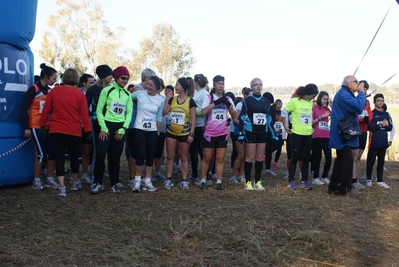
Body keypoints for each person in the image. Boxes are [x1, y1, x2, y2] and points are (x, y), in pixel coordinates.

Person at [39, 68, 92, 197]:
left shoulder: (54, 91)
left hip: (56, 129)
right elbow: (84, 115)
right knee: (74, 156)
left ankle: (62, 187)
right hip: (74, 130)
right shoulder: (80, 94)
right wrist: (88, 131)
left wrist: (42, 125)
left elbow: (46, 110)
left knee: (59, 157)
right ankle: (74, 182)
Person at [90, 66, 133, 194]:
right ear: (116, 78)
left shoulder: (127, 94)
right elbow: (99, 110)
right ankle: (98, 182)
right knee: (101, 155)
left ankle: (114, 183)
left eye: (127, 78)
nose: (125, 81)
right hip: (106, 126)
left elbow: (129, 113)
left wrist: (123, 129)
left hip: (120, 128)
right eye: (123, 78)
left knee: (115, 157)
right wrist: (103, 127)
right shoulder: (107, 91)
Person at [20, 63, 59, 190]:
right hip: (36, 125)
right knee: (41, 153)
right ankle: (36, 180)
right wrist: (26, 127)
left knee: (52, 152)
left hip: (48, 125)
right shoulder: (34, 89)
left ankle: (49, 178)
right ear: (46, 77)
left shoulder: (50, 91)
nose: (55, 81)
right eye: (53, 78)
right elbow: (24, 107)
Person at [328, 76, 366, 196]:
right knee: (347, 160)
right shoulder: (344, 94)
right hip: (342, 133)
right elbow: (358, 106)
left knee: (341, 160)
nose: (358, 83)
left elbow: (356, 109)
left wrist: (359, 95)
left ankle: (333, 186)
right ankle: (345, 188)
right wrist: (361, 93)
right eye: (356, 81)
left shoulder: (344, 94)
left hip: (343, 131)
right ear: (349, 83)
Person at [199, 75, 237, 190]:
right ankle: (203, 181)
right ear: (214, 85)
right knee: (207, 158)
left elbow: (235, 116)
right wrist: (214, 104)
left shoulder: (228, 99)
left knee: (220, 159)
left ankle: (219, 182)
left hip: (222, 133)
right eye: (219, 83)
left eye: (223, 84)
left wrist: (229, 105)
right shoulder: (208, 97)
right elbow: (203, 111)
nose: (221, 86)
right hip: (209, 133)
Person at [130, 76, 165, 193]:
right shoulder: (139, 94)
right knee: (141, 155)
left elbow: (159, 117)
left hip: (152, 131)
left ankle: (147, 181)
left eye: (151, 85)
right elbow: (127, 98)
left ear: (157, 88)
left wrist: (158, 132)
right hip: (138, 128)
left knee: (150, 156)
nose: (148, 87)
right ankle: (137, 182)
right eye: (148, 84)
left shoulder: (161, 100)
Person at [282, 84, 319, 190]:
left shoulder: (310, 104)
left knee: (306, 158)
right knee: (295, 157)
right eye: (313, 95)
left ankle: (304, 181)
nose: (314, 97)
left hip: (308, 134)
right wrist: (286, 126)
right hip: (296, 134)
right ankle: (291, 181)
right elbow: (284, 112)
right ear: (308, 93)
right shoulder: (294, 101)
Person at [163, 77, 196, 190]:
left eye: (177, 85)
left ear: (182, 87)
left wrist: (191, 134)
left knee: (184, 157)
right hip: (171, 132)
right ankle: (168, 179)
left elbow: (193, 119)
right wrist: (167, 100)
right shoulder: (172, 100)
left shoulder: (190, 101)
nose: (175, 87)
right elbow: (164, 112)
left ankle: (184, 180)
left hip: (184, 133)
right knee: (170, 156)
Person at [126, 68, 156, 188]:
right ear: (147, 78)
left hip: (143, 126)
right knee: (134, 152)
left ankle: (139, 176)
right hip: (133, 124)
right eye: (152, 79)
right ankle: (132, 177)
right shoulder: (138, 90)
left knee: (141, 152)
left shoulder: (145, 90)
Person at [239, 78, 270, 191]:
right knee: (249, 157)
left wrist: (272, 132)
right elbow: (242, 117)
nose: (258, 86)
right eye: (255, 85)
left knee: (260, 157)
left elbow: (269, 118)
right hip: (251, 131)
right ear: (251, 87)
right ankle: (248, 182)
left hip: (263, 132)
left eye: (260, 84)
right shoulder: (248, 101)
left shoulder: (266, 101)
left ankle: (258, 182)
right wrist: (241, 133)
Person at [86, 64, 113, 183]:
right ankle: (95, 178)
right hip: (96, 122)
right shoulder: (92, 90)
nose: (112, 77)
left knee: (110, 150)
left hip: (111, 122)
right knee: (97, 151)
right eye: (109, 75)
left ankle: (109, 174)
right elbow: (86, 108)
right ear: (103, 76)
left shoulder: (112, 89)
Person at [365, 94, 393, 188]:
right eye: (378, 100)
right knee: (370, 161)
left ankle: (380, 180)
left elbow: (390, 127)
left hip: (383, 142)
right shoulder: (372, 114)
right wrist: (381, 125)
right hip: (374, 142)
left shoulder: (386, 114)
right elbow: (370, 128)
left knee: (381, 162)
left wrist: (386, 125)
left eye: (382, 100)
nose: (380, 102)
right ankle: (368, 179)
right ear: (374, 102)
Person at [188, 74, 210, 185]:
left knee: (201, 152)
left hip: (200, 126)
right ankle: (195, 175)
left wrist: (191, 111)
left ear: (196, 82)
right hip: (193, 125)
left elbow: (204, 111)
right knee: (192, 151)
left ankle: (205, 176)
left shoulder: (205, 94)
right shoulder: (195, 92)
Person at [351, 80, 372, 190]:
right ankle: (349, 178)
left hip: (364, 131)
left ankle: (355, 178)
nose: (364, 91)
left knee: (358, 156)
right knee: (353, 156)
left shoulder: (367, 102)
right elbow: (354, 114)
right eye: (362, 89)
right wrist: (360, 119)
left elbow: (369, 114)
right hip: (355, 130)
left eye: (365, 89)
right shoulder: (354, 100)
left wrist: (368, 120)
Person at [230, 87, 253, 184]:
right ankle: (233, 175)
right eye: (251, 95)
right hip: (238, 132)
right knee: (241, 154)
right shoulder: (240, 104)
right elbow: (235, 119)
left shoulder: (252, 104)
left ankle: (241, 175)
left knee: (246, 155)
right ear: (246, 95)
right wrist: (245, 125)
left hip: (248, 132)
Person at [311, 91, 332, 185]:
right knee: (317, 157)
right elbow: (311, 122)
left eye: (327, 99)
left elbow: (336, 114)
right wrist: (321, 117)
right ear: (320, 99)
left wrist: (331, 105)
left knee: (329, 157)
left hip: (326, 135)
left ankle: (324, 176)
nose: (325, 101)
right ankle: (315, 177)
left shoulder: (328, 109)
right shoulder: (314, 108)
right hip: (317, 136)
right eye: (324, 99)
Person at [78, 73, 95, 184]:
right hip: (77, 126)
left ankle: (85, 174)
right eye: (90, 82)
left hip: (89, 126)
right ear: (84, 83)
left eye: (94, 82)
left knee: (86, 152)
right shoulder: (78, 93)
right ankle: (74, 175)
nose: (93, 84)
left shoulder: (95, 93)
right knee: (75, 151)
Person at [262, 92, 278, 177]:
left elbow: (273, 121)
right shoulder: (261, 107)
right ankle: (262, 167)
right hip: (261, 131)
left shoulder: (272, 109)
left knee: (270, 149)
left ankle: (268, 168)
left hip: (269, 131)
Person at [272, 99, 284, 168]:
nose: (280, 105)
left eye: (281, 104)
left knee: (279, 147)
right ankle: (266, 155)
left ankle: (276, 161)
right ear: (276, 104)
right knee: (274, 146)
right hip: (273, 131)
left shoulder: (282, 112)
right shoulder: (273, 111)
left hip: (280, 132)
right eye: (279, 104)